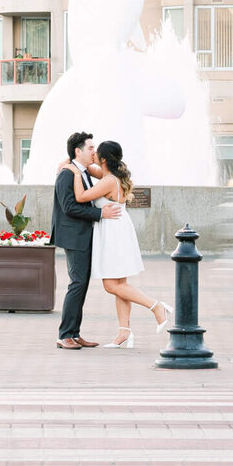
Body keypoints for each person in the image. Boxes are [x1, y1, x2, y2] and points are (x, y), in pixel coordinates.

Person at [69, 140, 171, 348]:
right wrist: (73, 160)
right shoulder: (109, 176)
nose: (93, 154)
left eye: (97, 152)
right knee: (120, 285)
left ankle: (156, 306)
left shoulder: (108, 181)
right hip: (117, 229)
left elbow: (80, 197)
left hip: (113, 233)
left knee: (111, 285)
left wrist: (76, 174)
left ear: (104, 159)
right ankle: (124, 332)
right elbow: (88, 166)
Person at [52, 131, 123, 350]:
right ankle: (65, 335)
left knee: (81, 284)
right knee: (77, 283)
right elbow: (69, 207)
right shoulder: (67, 173)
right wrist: (100, 214)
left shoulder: (80, 171)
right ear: (78, 151)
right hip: (74, 236)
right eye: (90, 148)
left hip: (82, 235)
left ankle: (74, 332)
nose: (94, 151)